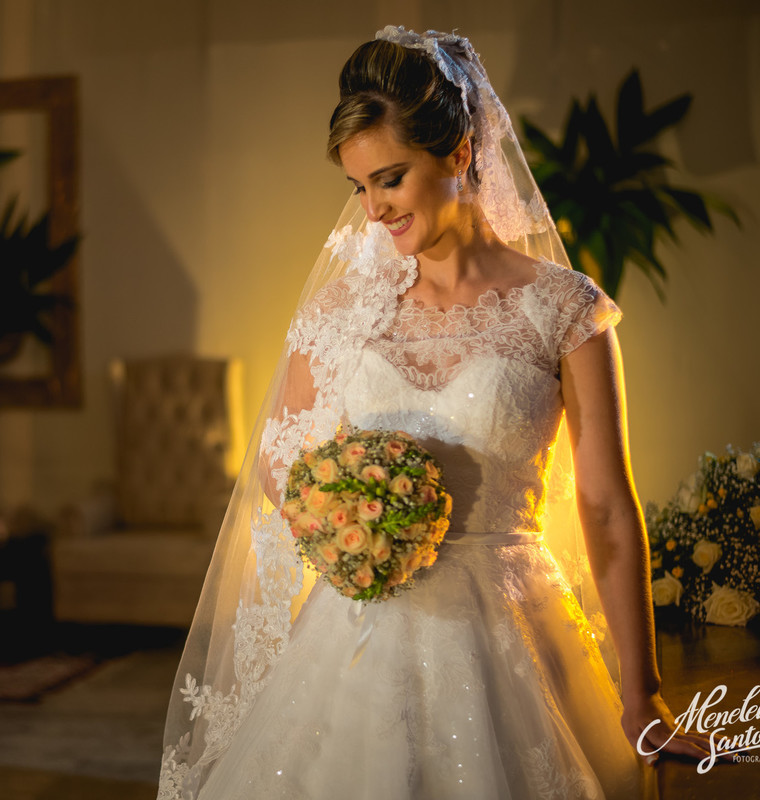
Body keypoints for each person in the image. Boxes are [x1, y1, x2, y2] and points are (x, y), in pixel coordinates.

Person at [158, 27, 711, 799]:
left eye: (390, 178)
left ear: (458, 154)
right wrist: (348, 522)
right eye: (359, 187)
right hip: (354, 642)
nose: (374, 209)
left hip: (510, 636)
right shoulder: (346, 311)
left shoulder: (566, 310)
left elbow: (607, 507)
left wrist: (641, 692)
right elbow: (280, 462)